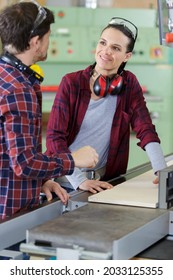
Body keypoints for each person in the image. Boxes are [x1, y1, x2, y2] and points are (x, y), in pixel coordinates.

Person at [0, 1, 99, 220]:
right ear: (35, 42)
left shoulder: (6, 76)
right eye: (48, 36)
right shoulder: (18, 89)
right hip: (9, 214)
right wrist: (72, 160)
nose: (48, 42)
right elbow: (24, 163)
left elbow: (8, 150)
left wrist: (42, 180)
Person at [46, 17, 167, 194]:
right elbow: (54, 139)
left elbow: (145, 127)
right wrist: (80, 181)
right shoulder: (71, 82)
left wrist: (161, 170)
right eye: (103, 43)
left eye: (115, 48)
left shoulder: (129, 84)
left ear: (127, 56)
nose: (106, 51)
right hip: (66, 183)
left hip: (105, 182)